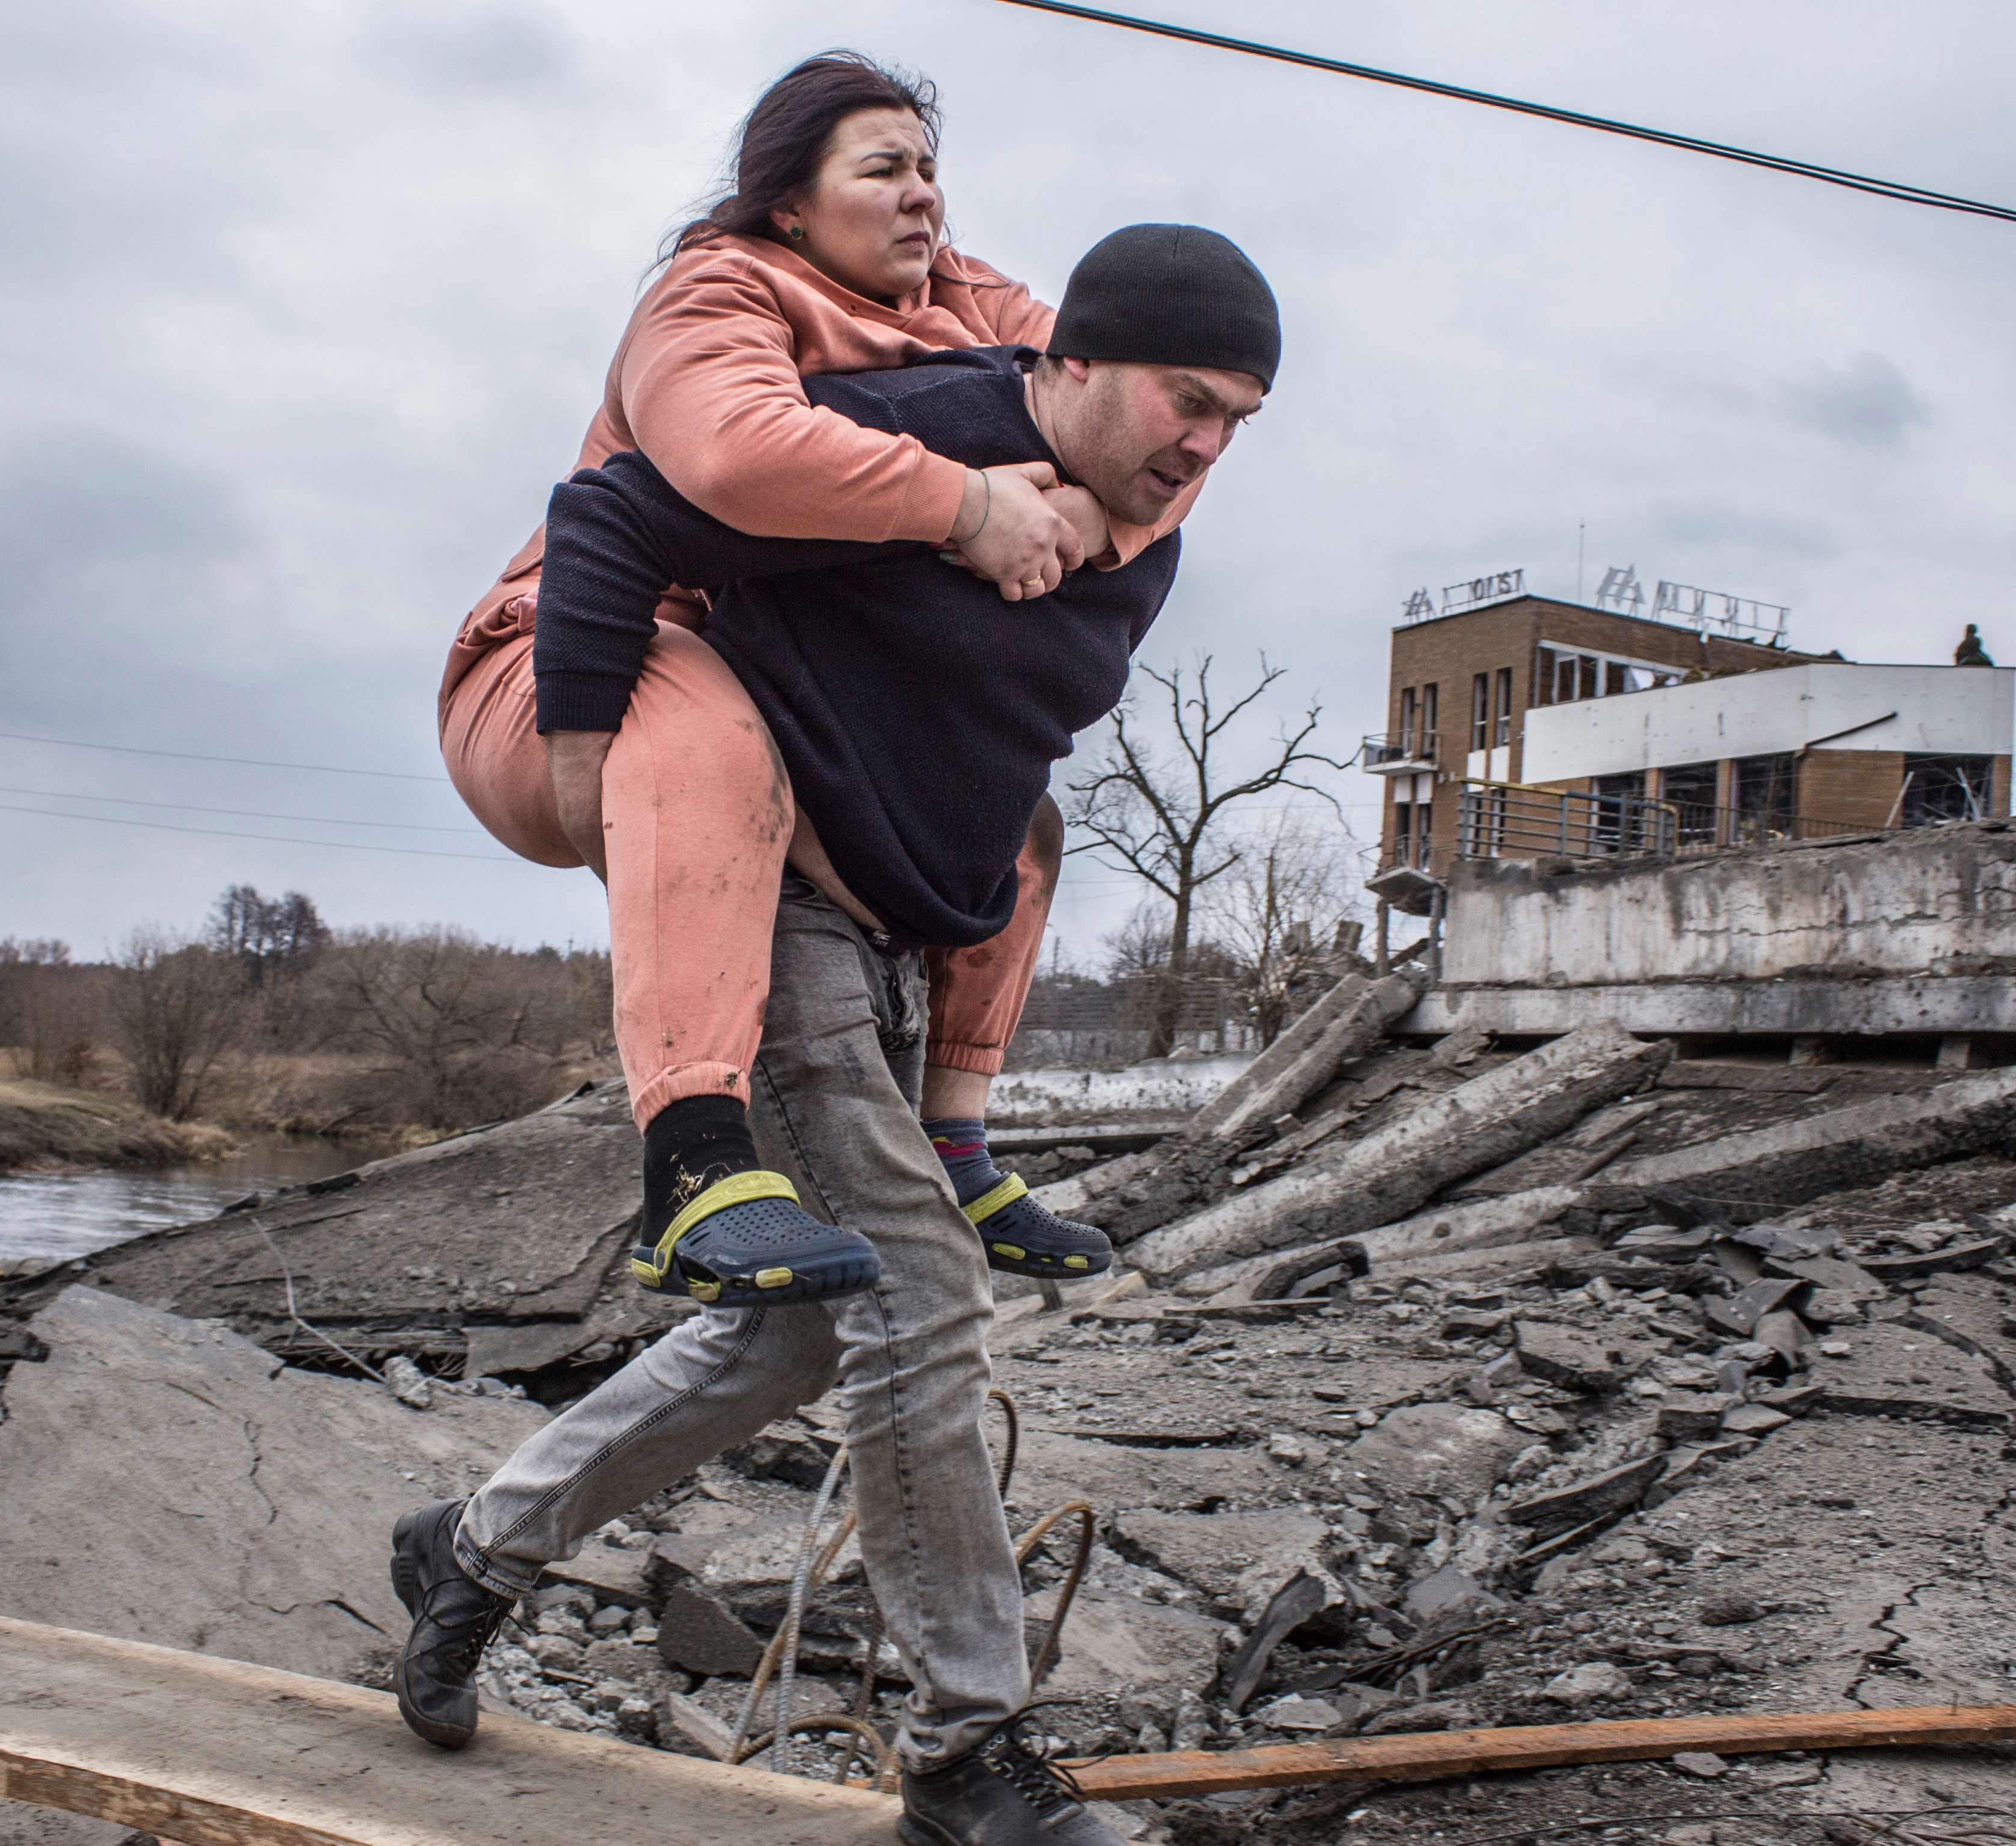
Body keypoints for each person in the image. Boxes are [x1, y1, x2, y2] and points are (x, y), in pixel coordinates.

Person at [397, 223, 1281, 1846]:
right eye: (1187, 396)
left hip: (888, 942)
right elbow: (613, 512)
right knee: (926, 1288)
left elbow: (984, 742)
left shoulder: (1142, 534)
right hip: (771, 907)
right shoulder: (933, 433)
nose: (1209, 442)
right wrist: (595, 753)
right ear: (1071, 364)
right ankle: (963, 1754)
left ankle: (475, 1541)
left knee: (806, 1326)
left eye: (1239, 415)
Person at [439, 52, 1201, 1311]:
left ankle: (961, 1140)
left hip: (764, 698)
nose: (926, 199)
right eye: (885, 169)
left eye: (933, 170)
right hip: (567, 661)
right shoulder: (715, 292)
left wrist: (1077, 513)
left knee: (1024, 833)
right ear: (791, 203)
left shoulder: (967, 298)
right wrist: (966, 506)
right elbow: (733, 458)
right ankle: (689, 1165)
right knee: (694, 709)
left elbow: (1142, 421)